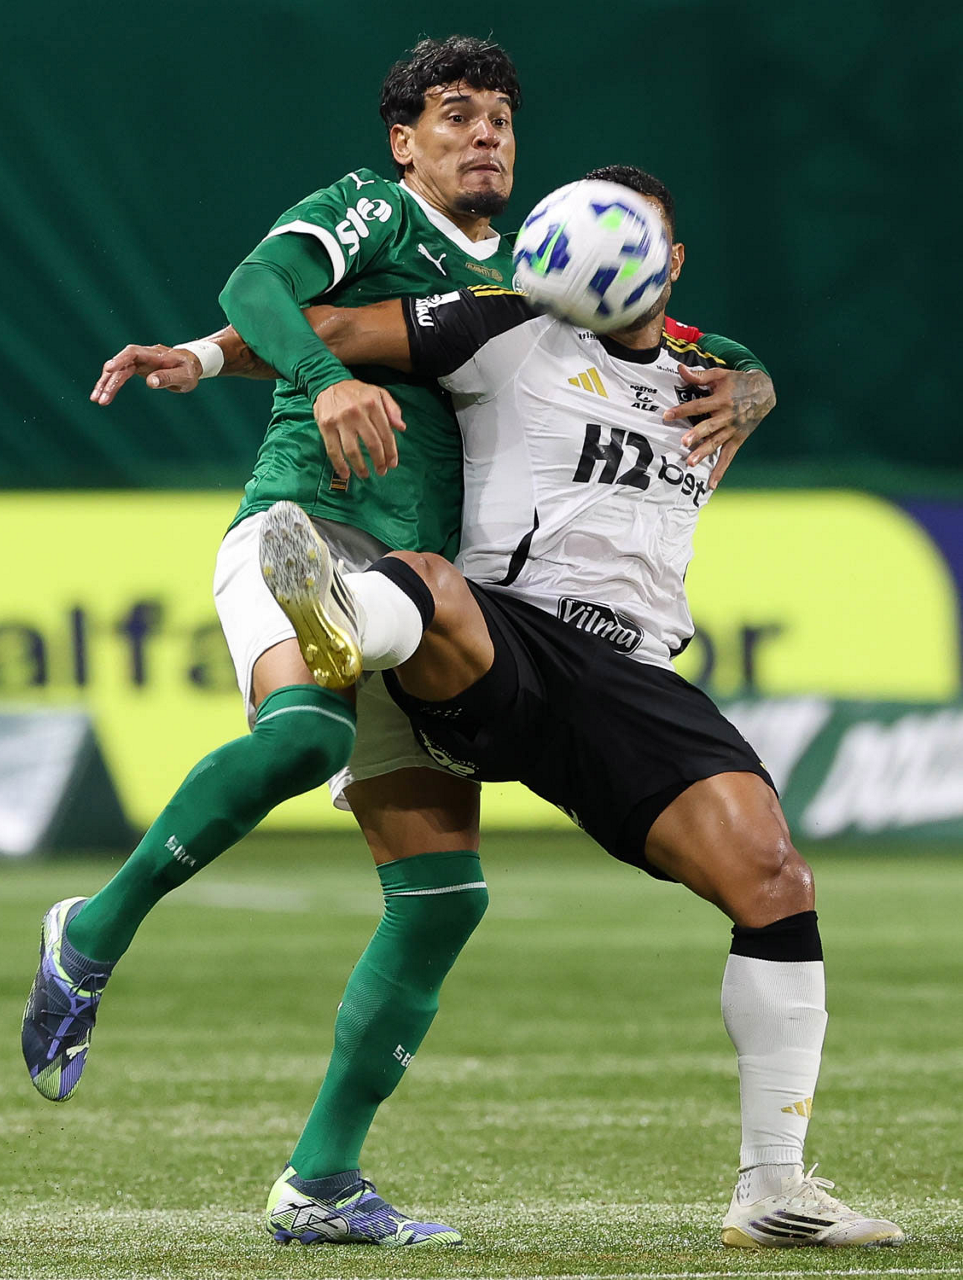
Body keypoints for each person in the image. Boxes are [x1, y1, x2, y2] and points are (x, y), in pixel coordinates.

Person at [22, 33, 772, 1242]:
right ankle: (91, 932)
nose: (485, 136)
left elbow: (678, 342)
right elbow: (265, 289)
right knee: (299, 736)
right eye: (456, 115)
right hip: (306, 527)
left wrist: (753, 379)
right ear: (404, 139)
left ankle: (321, 1183)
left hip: (424, 601)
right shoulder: (372, 207)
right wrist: (286, 368)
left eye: (501, 120)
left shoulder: (534, 278)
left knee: (439, 900)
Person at [255, 165, 905, 1250]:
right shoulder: (501, 324)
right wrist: (216, 356)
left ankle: (772, 1192)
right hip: (510, 634)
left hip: (633, 678)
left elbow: (740, 366)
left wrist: (757, 384)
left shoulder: (710, 376)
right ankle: (346, 621)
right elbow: (326, 327)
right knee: (434, 581)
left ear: (672, 261)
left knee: (776, 881)